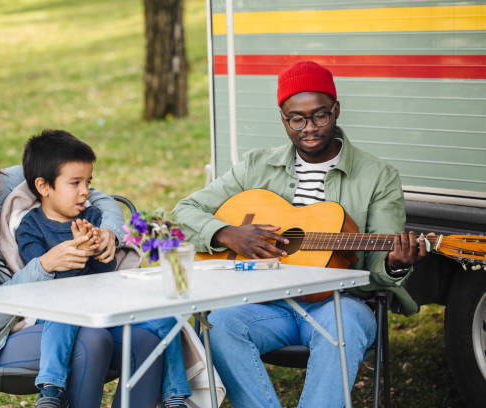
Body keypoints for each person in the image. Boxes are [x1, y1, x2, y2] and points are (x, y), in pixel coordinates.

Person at [173, 61, 427, 407]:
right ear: (283, 118)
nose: (309, 128)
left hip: (338, 303)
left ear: (335, 110)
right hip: (265, 304)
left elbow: (378, 265)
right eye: (297, 119)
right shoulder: (256, 166)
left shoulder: (378, 176)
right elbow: (183, 212)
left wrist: (395, 264)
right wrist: (227, 234)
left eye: (319, 116)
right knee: (219, 326)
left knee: (345, 326)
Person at [0, 120, 163, 408]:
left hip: (74, 312)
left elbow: (101, 198)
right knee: (91, 340)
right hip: (6, 337)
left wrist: (109, 232)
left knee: (147, 340)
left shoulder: (14, 180)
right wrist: (44, 266)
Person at [16, 130, 191, 408]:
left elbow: (106, 269)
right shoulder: (30, 227)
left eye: (88, 182)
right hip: (61, 310)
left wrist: (97, 249)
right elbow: (43, 282)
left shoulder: (94, 216)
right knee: (61, 318)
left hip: (105, 307)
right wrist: (76, 253)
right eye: (75, 183)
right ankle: (51, 389)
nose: (85, 191)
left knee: (167, 320)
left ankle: (175, 394)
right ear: (43, 186)